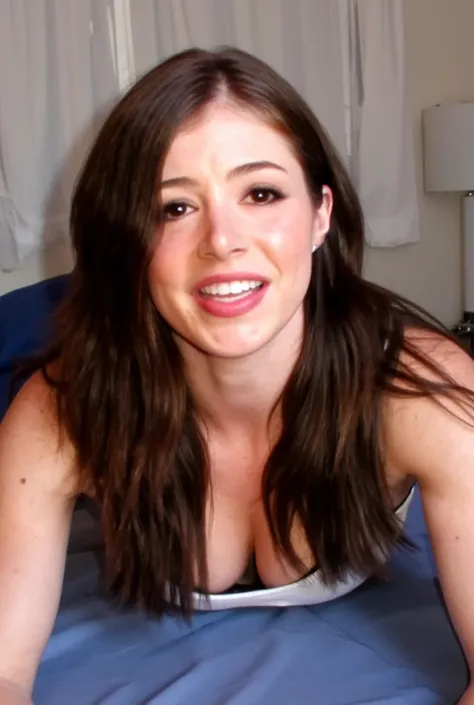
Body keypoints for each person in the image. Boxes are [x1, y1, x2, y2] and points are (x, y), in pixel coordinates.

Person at [0, 46, 474, 705]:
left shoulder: (424, 392)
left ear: (320, 214)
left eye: (261, 193)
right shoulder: (56, 412)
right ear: (129, 241)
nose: (222, 240)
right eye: (174, 208)